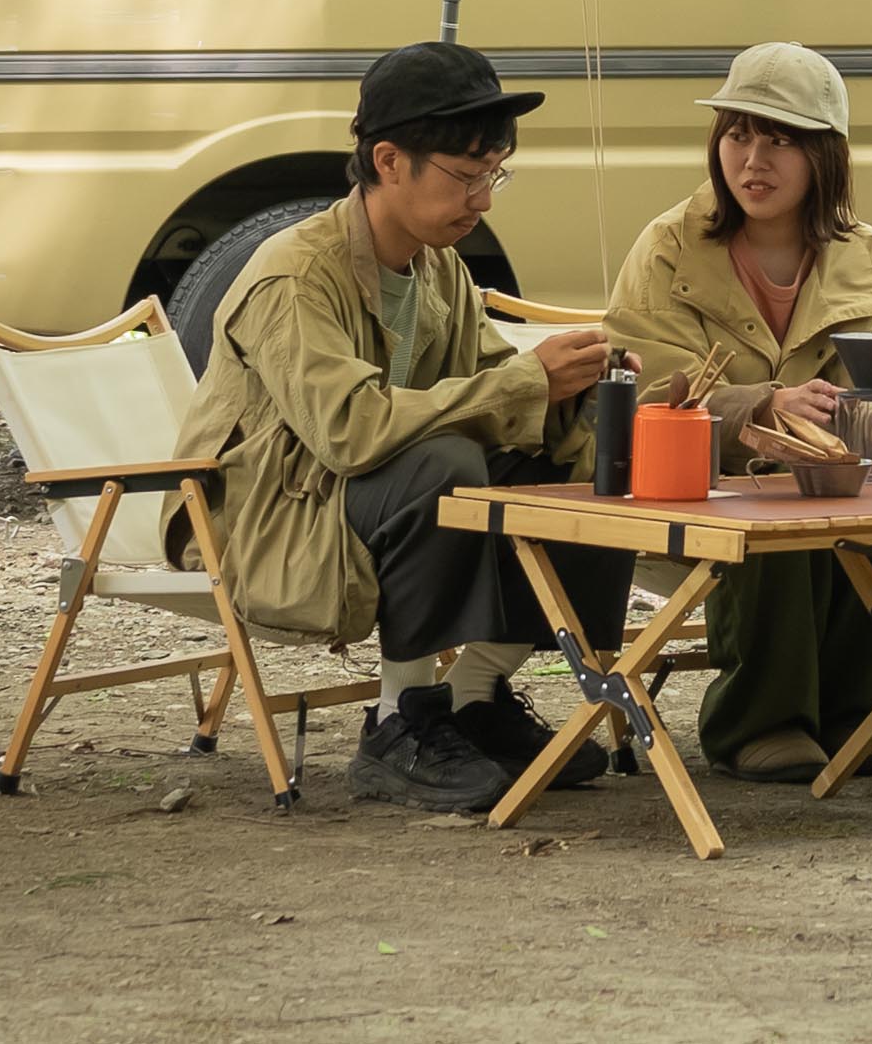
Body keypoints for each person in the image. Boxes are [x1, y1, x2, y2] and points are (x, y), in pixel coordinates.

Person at [172, 40, 633, 813]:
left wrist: (588, 394)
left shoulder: (437, 266)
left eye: (495, 174)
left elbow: (504, 405)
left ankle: (475, 697)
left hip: (355, 497)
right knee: (445, 461)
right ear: (388, 160)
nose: (483, 198)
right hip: (270, 516)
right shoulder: (293, 274)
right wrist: (523, 380)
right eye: (465, 175)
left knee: (575, 473)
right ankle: (398, 723)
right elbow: (349, 429)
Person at [604, 42, 872, 784]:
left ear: (823, 154)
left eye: (780, 138)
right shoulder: (670, 247)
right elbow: (644, 385)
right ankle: (756, 721)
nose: (752, 158)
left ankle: (856, 714)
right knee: (770, 516)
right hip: (706, 492)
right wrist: (763, 407)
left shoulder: (870, 255)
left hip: (840, 491)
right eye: (737, 133)